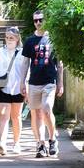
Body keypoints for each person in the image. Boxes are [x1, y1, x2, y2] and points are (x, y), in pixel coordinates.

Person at [22, 10, 63, 158]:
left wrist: (61, 83)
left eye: (41, 19)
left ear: (46, 20)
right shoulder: (29, 41)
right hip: (33, 82)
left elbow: (60, 63)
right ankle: (40, 144)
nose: (38, 22)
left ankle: (52, 139)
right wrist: (22, 83)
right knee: (36, 114)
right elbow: (25, 63)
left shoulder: (53, 40)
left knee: (46, 108)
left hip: (49, 81)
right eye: (36, 20)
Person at [0, 26, 26, 155]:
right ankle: (2, 144)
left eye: (11, 37)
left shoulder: (22, 52)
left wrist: (26, 86)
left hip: (18, 89)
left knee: (16, 117)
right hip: (2, 88)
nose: (8, 40)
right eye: (7, 37)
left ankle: (16, 143)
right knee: (3, 117)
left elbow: (27, 71)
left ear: (17, 38)